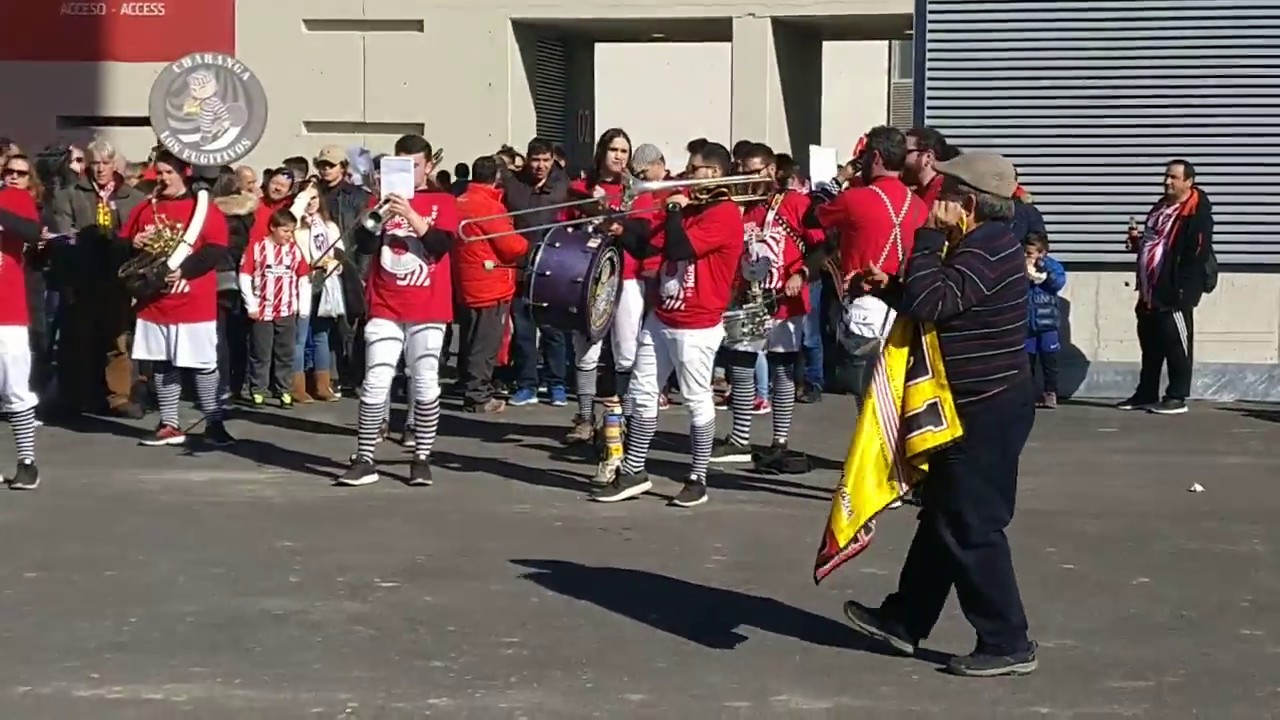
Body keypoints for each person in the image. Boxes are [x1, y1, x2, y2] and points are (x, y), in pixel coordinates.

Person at [843, 152, 1039, 677]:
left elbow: (934, 300)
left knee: (973, 524)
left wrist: (924, 243)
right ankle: (905, 620)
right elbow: (941, 301)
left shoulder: (988, 247)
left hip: (986, 409)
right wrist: (888, 287)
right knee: (943, 519)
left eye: (945, 195)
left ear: (969, 204)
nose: (935, 203)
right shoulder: (982, 244)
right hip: (972, 403)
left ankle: (1007, 640)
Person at [590, 141, 744, 508]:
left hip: (698, 323)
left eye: (694, 169)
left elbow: (679, 249)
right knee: (642, 393)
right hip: (663, 315)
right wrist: (619, 227)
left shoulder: (723, 214)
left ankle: (698, 477)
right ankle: (633, 470)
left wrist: (675, 209)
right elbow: (651, 248)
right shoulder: (690, 209)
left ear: (715, 174)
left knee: (696, 399)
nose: (687, 174)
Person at [338, 134, 457, 487]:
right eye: (400, 166)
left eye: (415, 166)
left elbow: (440, 246)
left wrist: (411, 214)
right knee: (375, 380)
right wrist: (378, 213)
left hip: (428, 305)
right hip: (385, 302)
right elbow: (364, 244)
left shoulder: (442, 201)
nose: (409, 173)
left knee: (425, 383)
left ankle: (421, 456)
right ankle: (365, 457)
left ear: (428, 166)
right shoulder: (379, 200)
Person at [121, 150, 234, 447]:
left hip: (193, 301)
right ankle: (170, 424)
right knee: (162, 363)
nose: (162, 178)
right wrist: (133, 243)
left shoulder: (201, 208)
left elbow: (216, 247)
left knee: (203, 364)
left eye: (168, 172)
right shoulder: (146, 208)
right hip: (155, 302)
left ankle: (214, 422)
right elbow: (127, 246)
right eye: (159, 173)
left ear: (183, 173)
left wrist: (184, 270)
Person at [709, 142, 811, 470]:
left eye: (754, 172)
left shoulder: (795, 203)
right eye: (742, 172)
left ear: (770, 170)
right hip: (747, 298)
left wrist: (802, 272)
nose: (748, 179)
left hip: (784, 299)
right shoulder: (739, 205)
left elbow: (823, 246)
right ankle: (739, 438)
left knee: (782, 368)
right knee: (740, 366)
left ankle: (780, 441)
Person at [47, 139, 147, 419]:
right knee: (79, 339)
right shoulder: (69, 195)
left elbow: (137, 236)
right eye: (94, 163)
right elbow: (65, 236)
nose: (100, 169)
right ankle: (78, 396)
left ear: (115, 164)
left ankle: (119, 397)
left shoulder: (134, 197)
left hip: (118, 279)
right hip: (82, 278)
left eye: (105, 163)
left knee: (117, 341)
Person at [1116, 159, 1214, 416]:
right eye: (1166, 177)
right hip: (1150, 291)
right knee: (1150, 345)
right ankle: (1146, 392)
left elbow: (1197, 253)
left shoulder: (1196, 213)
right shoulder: (1160, 207)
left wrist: (1182, 290)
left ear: (1188, 182)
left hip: (1175, 292)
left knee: (1176, 344)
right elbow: (1155, 241)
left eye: (1173, 177)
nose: (1167, 182)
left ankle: (1176, 395)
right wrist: (1138, 244)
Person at [454, 155, 527, 413]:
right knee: (486, 344)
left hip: (467, 281)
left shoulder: (461, 201)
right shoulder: (488, 206)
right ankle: (478, 396)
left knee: (471, 339)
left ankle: (469, 386)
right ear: (496, 177)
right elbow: (512, 246)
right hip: (489, 283)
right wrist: (526, 243)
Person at [502, 137, 570, 408]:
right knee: (524, 331)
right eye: (535, 160)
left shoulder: (564, 185)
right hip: (520, 265)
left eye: (545, 160)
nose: (540, 166)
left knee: (554, 331)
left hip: (552, 267)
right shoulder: (513, 184)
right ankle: (527, 384)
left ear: (552, 160)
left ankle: (557, 384)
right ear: (527, 160)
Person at [239, 209, 312, 407]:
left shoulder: (294, 250)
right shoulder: (257, 248)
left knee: (285, 353)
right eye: (285, 231)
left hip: (286, 310)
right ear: (273, 227)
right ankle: (258, 390)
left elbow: (303, 278)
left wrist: (302, 308)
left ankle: (284, 390)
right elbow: (245, 276)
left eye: (291, 231)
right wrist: (251, 304)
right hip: (263, 310)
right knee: (261, 353)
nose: (289, 235)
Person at [0, 184, 45, 489]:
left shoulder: (14, 197)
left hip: (7, 311)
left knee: (15, 390)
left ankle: (27, 463)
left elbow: (32, 230)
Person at [1024, 232, 1065, 409]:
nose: (1027, 257)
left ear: (1042, 253)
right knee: (1027, 361)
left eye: (1030, 253)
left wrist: (1044, 268)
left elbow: (1058, 283)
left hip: (1047, 322)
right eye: (1025, 253)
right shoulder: (1021, 267)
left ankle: (1050, 393)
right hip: (1027, 321)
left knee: (1049, 360)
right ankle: (1026, 394)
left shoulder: (1052, 266)